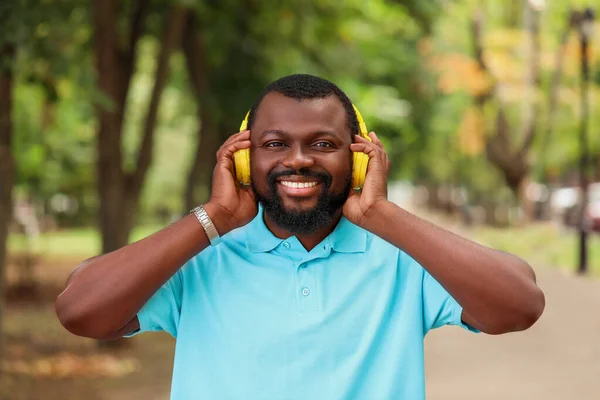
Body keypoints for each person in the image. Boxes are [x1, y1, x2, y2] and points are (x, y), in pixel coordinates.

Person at [55, 74, 545, 399]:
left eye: (323, 144)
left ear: (358, 158)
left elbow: (519, 304)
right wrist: (215, 216)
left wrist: (381, 214)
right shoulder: (201, 257)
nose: (298, 160)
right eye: (274, 144)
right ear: (245, 159)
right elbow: (80, 311)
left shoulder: (404, 258)